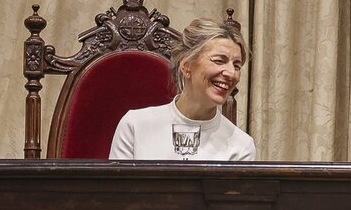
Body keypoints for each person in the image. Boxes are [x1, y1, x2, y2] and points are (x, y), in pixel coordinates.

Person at [109, 18, 256, 160]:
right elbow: (118, 186)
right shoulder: (135, 126)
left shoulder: (242, 146)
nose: (231, 73)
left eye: (237, 65)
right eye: (219, 60)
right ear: (186, 66)